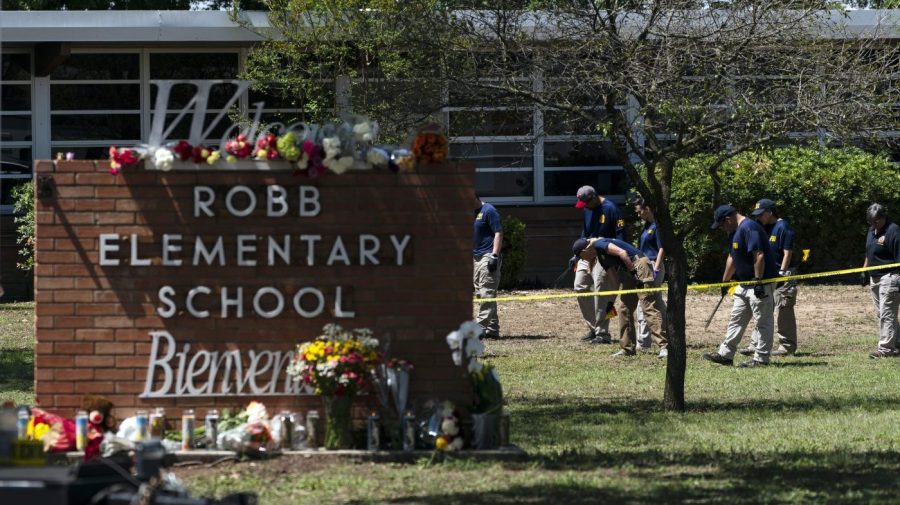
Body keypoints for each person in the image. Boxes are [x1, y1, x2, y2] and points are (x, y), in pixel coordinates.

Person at [703, 204, 779, 367]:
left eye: (722, 224)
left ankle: (761, 359)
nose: (723, 228)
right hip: (743, 284)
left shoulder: (749, 227)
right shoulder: (733, 232)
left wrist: (758, 281)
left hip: (759, 284)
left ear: (728, 219)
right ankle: (726, 354)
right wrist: (725, 282)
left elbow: (758, 255)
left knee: (763, 321)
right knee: (736, 319)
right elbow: (732, 257)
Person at [571, 236, 667, 358]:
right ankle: (627, 348)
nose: (582, 260)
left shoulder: (599, 244)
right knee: (623, 308)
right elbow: (615, 282)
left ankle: (664, 347)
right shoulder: (601, 257)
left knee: (647, 306)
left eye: (580, 257)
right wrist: (611, 302)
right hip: (629, 270)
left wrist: (634, 274)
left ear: (584, 251)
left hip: (639, 265)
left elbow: (622, 253)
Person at [740, 198, 799, 356]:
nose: (758, 217)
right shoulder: (762, 227)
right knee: (761, 308)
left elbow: (787, 253)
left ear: (770, 213)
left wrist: (782, 274)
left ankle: (786, 346)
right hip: (768, 274)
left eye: (761, 214)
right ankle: (756, 343)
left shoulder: (783, 227)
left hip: (783, 274)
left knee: (783, 308)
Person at [573, 185, 626, 344]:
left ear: (594, 197)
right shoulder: (587, 209)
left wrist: (613, 257)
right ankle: (594, 328)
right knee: (579, 287)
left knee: (602, 293)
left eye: (586, 203)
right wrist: (576, 254)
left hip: (605, 255)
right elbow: (585, 232)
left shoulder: (612, 210)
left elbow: (621, 239)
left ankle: (603, 334)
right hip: (586, 253)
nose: (585, 207)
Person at [861, 203, 899, 359]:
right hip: (874, 277)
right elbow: (869, 252)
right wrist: (864, 270)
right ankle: (897, 343)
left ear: (884, 217)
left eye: (876, 222)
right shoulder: (871, 230)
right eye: (870, 222)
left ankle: (885, 349)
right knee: (881, 313)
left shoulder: (893, 231)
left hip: (890, 277)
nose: (873, 225)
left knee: (887, 313)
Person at [633, 199, 667, 354]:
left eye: (640, 211)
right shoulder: (646, 226)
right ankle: (668, 333)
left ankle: (644, 341)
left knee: (645, 302)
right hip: (644, 265)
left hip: (653, 265)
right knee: (657, 302)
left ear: (647, 208)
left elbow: (662, 248)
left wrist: (657, 268)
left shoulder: (658, 226)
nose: (639, 215)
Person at [474, 196, 503, 339]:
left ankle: (478, 330)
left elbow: (498, 232)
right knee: (481, 294)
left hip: (487, 256)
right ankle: (492, 329)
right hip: (475, 258)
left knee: (487, 293)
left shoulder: (489, 210)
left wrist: (494, 256)